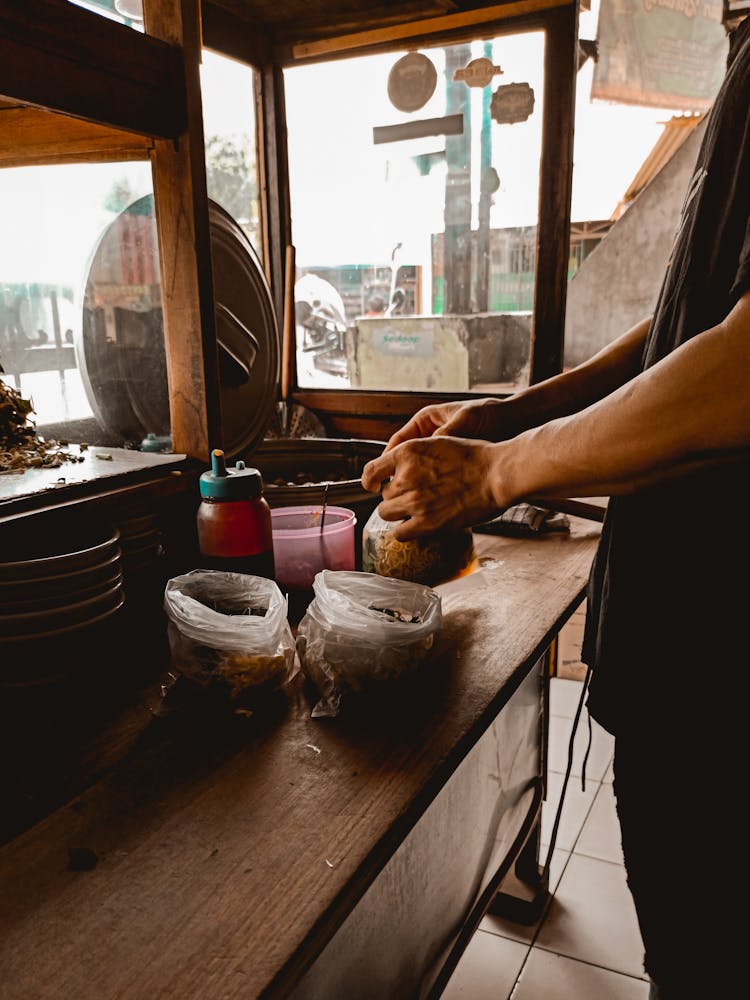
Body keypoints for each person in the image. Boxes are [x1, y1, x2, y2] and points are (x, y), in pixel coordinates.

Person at [361, 14, 750, 999]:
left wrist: (496, 475)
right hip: (679, 665)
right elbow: (684, 327)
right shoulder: (746, 62)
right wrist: (512, 414)